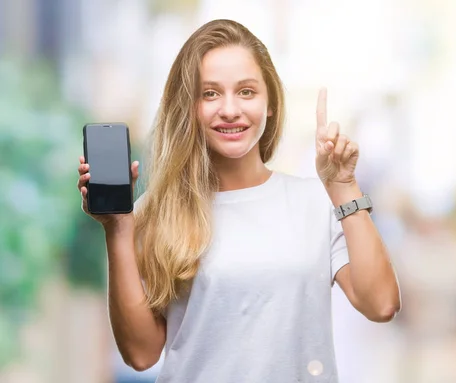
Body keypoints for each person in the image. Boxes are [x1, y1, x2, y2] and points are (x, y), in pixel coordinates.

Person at [76, 19, 400, 383]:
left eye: (246, 91)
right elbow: (140, 354)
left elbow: (382, 304)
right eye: (210, 93)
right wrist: (119, 227)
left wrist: (344, 185)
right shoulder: (158, 210)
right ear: (189, 106)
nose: (230, 109)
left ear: (270, 104)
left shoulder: (315, 202)